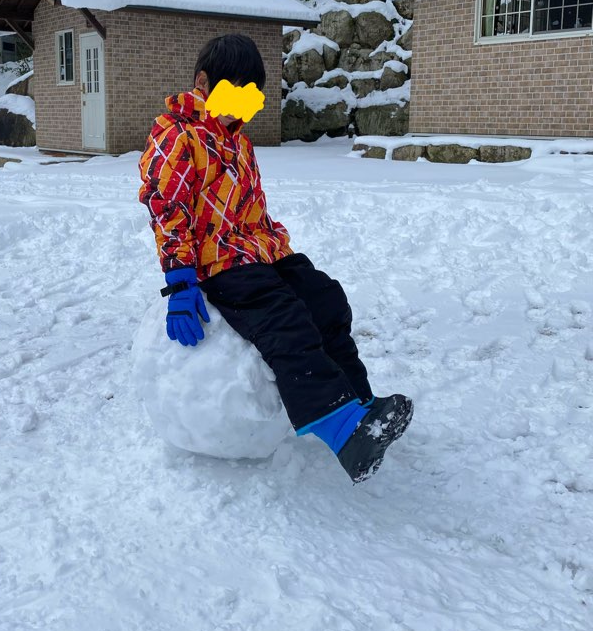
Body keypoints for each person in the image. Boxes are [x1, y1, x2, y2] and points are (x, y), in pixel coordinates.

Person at [138, 33, 412, 483]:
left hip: (256, 252)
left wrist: (277, 252)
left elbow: (252, 209)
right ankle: (342, 431)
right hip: (216, 264)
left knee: (325, 299)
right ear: (203, 83)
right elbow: (167, 211)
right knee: (284, 318)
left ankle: (360, 405)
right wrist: (181, 282)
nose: (240, 107)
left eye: (249, 97)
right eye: (233, 94)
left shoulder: (238, 144)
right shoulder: (176, 137)